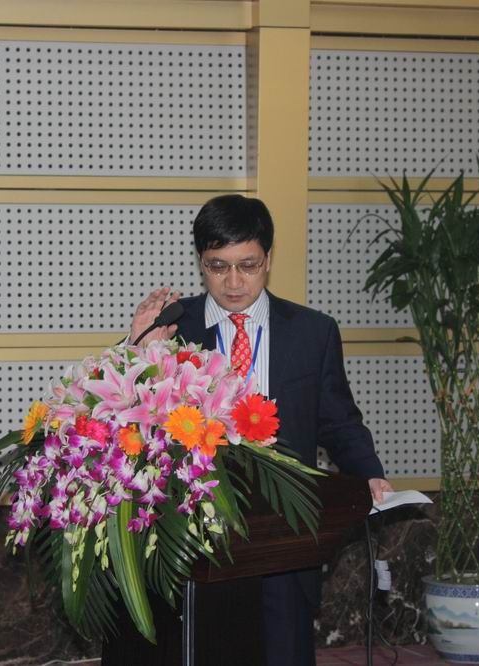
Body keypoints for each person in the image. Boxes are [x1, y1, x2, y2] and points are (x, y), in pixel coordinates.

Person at [128, 194, 393, 666]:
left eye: (247, 265)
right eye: (218, 267)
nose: (233, 282)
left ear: (268, 259)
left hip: (284, 536)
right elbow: (129, 412)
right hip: (200, 540)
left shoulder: (313, 332)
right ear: (201, 262)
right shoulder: (173, 327)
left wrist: (369, 474)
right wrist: (138, 347)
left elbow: (339, 421)